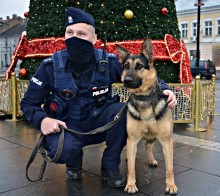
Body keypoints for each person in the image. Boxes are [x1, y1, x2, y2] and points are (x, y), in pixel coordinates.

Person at [20, 7, 177, 188]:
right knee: (64, 149)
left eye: (81, 33)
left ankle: (110, 166)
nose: (74, 38)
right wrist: (43, 120)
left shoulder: (107, 62)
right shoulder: (50, 66)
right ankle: (73, 162)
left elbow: (143, 77)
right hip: (68, 128)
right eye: (69, 32)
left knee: (122, 112)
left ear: (94, 39)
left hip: (100, 124)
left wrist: (165, 89)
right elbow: (27, 104)